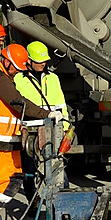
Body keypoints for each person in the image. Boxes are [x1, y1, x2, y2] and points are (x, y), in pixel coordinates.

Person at [0, 44, 62, 220]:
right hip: (2, 139)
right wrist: (45, 114)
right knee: (12, 178)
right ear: (6, 61)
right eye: (14, 67)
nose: (16, 72)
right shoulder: (2, 80)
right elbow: (19, 103)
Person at [14, 41, 70, 205]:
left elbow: (61, 105)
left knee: (57, 167)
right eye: (39, 61)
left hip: (52, 130)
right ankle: (33, 201)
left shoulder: (53, 79)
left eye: (44, 61)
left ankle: (61, 202)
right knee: (29, 170)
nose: (43, 64)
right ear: (29, 61)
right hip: (29, 132)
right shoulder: (18, 79)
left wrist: (65, 128)